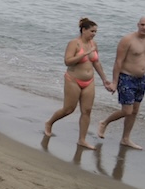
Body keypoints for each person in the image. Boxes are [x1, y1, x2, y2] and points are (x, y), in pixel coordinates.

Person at [44, 18, 114, 148]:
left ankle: (82, 139)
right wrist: (84, 54)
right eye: (92, 31)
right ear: (83, 30)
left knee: (87, 110)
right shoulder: (74, 43)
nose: (94, 34)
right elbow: (68, 61)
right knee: (68, 109)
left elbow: (96, 62)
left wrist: (104, 79)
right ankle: (49, 123)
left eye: (95, 32)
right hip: (73, 80)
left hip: (89, 81)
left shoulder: (94, 44)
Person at [98, 17, 145, 149]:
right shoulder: (127, 40)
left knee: (135, 110)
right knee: (127, 110)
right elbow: (118, 61)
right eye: (142, 24)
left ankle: (125, 139)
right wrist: (114, 82)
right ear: (138, 24)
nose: (144, 27)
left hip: (141, 79)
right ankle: (104, 122)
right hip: (126, 77)